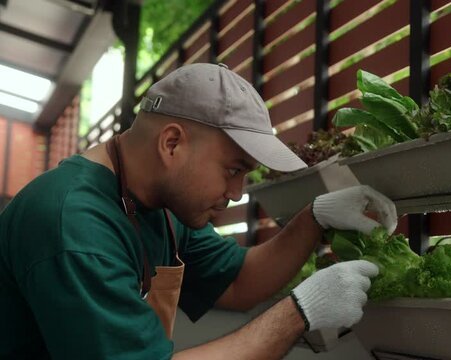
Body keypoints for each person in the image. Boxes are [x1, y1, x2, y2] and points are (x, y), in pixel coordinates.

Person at [0, 63, 398, 359]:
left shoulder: (162, 207)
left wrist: (315, 218)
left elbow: (240, 283)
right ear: (172, 143)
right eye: (233, 170)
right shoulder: (74, 225)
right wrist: (299, 313)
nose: (238, 193)